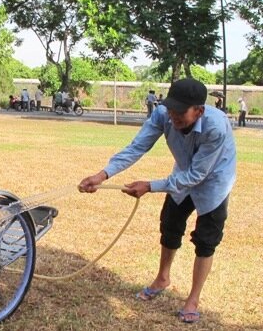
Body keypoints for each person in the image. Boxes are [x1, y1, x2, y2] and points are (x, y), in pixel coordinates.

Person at [78, 78, 236, 324]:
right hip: (182, 175)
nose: (173, 115)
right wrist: (102, 175)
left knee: (206, 239)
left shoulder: (216, 126)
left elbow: (197, 175)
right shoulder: (164, 115)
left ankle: (193, 298)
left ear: (199, 111)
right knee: (170, 226)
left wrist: (150, 186)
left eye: (180, 111)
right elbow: (136, 147)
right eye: (171, 108)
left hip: (215, 179)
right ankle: (163, 277)